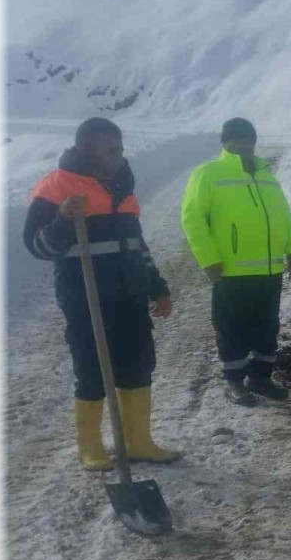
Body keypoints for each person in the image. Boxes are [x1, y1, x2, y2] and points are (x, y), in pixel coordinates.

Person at [23, 117, 180, 470]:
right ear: (86, 150)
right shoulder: (56, 186)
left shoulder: (122, 186)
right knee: (92, 369)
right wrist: (63, 221)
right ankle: (91, 447)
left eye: (120, 149)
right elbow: (36, 247)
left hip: (130, 293)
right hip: (84, 298)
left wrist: (157, 286)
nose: (118, 156)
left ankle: (138, 441)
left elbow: (136, 244)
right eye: (111, 150)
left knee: (138, 365)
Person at [180, 118, 291, 407]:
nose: (243, 145)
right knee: (232, 328)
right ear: (225, 142)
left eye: (247, 139)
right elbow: (192, 219)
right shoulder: (208, 174)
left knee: (267, 326)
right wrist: (209, 259)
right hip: (231, 271)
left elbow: (284, 215)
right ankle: (234, 381)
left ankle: (260, 377)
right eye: (236, 140)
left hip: (270, 268)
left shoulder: (266, 177)